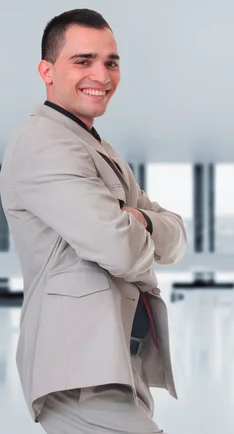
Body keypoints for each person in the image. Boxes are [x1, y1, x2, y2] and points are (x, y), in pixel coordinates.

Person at [0, 8, 187, 433]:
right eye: (83, 61)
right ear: (46, 71)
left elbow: (176, 237)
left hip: (117, 361)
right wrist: (142, 229)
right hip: (79, 371)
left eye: (111, 62)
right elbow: (119, 250)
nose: (101, 75)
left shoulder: (96, 148)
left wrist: (136, 218)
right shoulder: (44, 144)